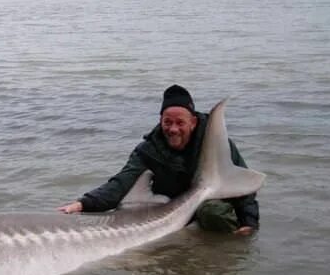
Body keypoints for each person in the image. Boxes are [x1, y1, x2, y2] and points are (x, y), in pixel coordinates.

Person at [57, 85, 259, 236]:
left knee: (212, 212)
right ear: (160, 120)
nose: (173, 128)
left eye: (180, 123)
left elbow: (240, 185)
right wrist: (82, 204)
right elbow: (121, 183)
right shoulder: (149, 149)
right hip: (167, 207)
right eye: (167, 122)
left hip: (204, 205)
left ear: (193, 122)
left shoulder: (214, 144)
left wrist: (249, 222)